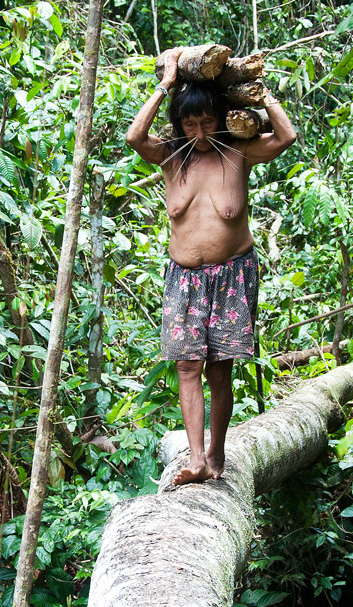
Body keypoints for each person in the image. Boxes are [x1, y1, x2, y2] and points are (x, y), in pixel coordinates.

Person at [126, 47, 296, 486]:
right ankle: (196, 458)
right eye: (190, 123)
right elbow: (133, 137)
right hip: (183, 278)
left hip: (232, 274)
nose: (199, 132)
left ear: (221, 119)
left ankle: (216, 455)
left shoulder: (238, 153)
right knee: (187, 366)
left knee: (220, 368)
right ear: (179, 123)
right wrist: (165, 84)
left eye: (207, 122)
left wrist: (261, 96)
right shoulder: (170, 157)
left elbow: (285, 137)